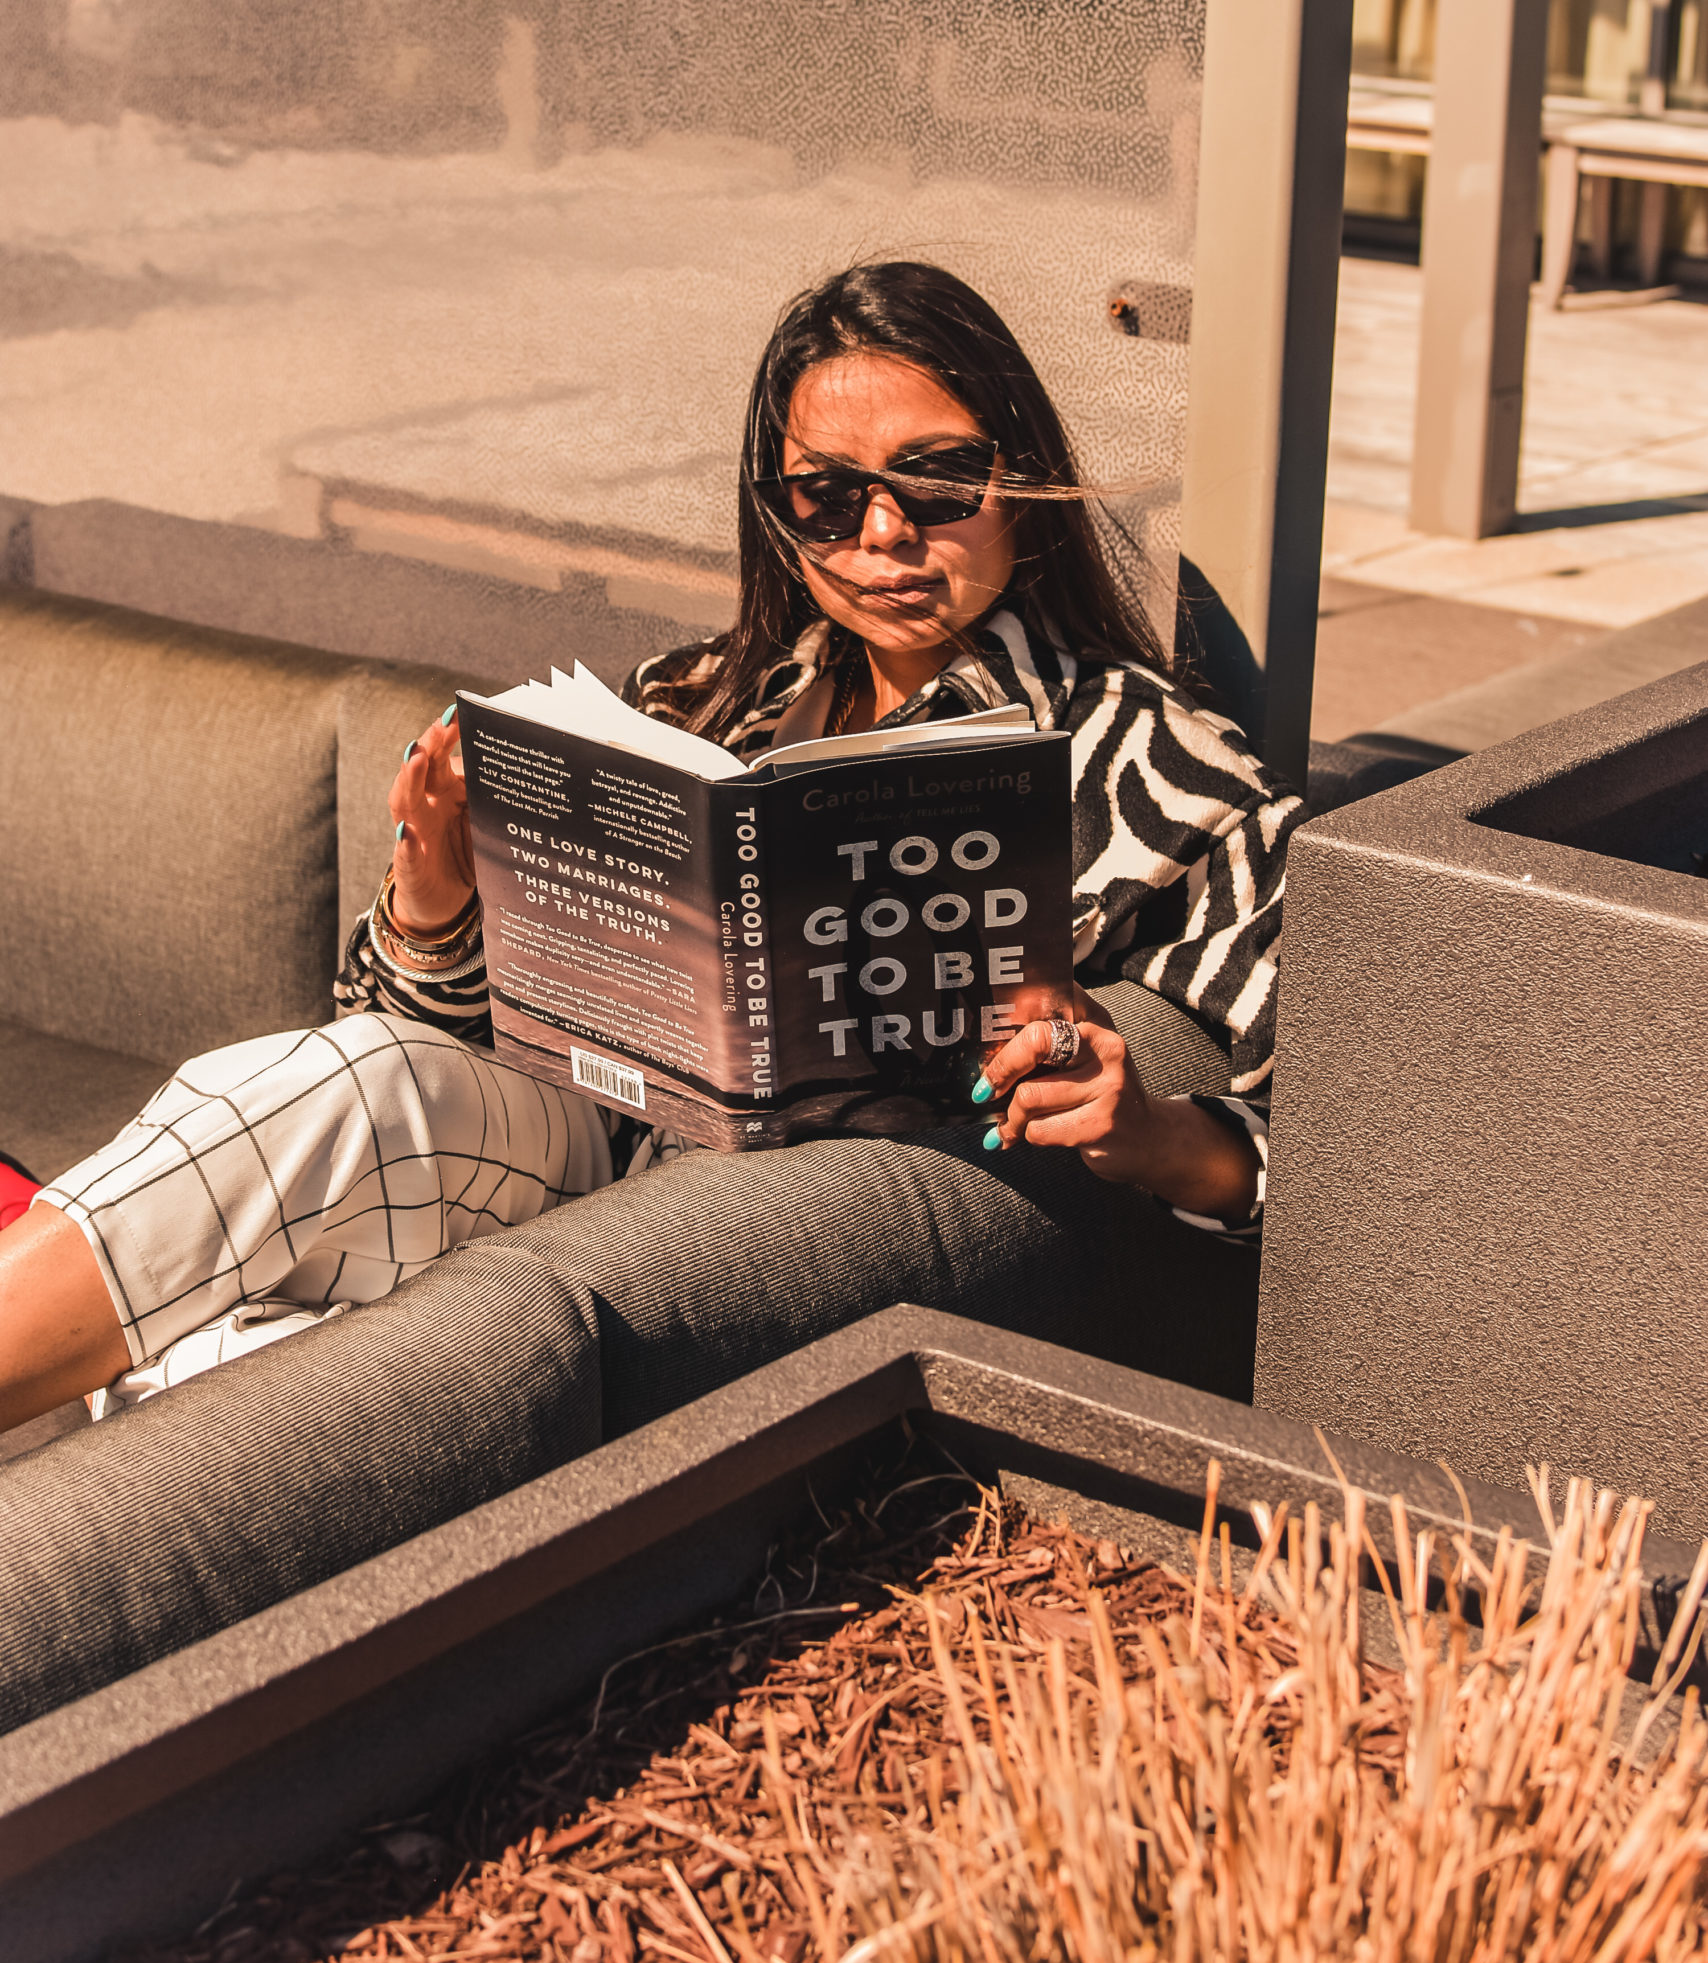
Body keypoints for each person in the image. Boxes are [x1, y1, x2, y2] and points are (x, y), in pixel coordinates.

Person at [0, 263, 1298, 1439]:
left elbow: (1349, 1128)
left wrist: (1166, 1134)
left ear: (1015, 481)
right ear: (777, 510)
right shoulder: (690, 698)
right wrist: (434, 894)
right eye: (828, 497)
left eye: (938, 481)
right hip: (563, 1145)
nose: (885, 537)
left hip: (737, 1231)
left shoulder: (1152, 760)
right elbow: (405, 1040)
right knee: (337, 1086)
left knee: (222, 1333)